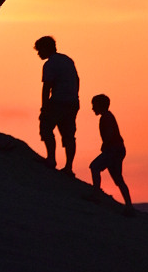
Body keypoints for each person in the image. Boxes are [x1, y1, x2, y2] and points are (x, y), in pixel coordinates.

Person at [34, 35, 79, 174]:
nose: (38, 53)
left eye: (40, 50)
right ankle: (69, 167)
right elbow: (77, 80)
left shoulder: (50, 64)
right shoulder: (67, 60)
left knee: (46, 127)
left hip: (58, 101)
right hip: (72, 101)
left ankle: (51, 159)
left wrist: (44, 107)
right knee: (69, 134)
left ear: (46, 48)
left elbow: (46, 87)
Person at [89, 94, 133, 213]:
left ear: (100, 106)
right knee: (118, 179)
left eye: (94, 105)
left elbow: (109, 133)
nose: (93, 108)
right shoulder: (108, 116)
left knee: (94, 167)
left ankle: (96, 196)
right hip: (118, 149)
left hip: (113, 150)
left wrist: (105, 145)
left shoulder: (106, 118)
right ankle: (129, 205)